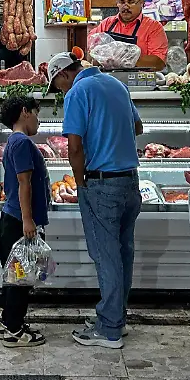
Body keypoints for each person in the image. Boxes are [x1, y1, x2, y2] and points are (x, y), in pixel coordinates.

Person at [47, 50, 142, 349]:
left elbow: (74, 147)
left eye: (57, 85)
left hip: (101, 183)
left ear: (64, 74)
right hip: (130, 180)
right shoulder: (116, 85)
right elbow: (137, 127)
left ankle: (109, 330)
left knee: (106, 255)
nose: (59, 91)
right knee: (123, 252)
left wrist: (80, 182)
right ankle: (116, 318)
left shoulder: (77, 92)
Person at [0, 96, 49, 347]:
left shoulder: (13, 142)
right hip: (18, 221)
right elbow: (24, 183)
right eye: (36, 113)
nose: (38, 120)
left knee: (14, 277)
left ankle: (8, 322)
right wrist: (29, 221)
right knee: (20, 278)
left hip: (12, 218)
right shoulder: (23, 143)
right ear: (24, 112)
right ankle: (14, 332)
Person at [87, 0, 168, 71]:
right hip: (108, 80)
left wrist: (123, 60)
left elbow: (158, 62)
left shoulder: (154, 27)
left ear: (141, 2)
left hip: (138, 82)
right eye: (122, 2)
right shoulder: (106, 24)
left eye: (131, 2)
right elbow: (89, 48)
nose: (125, 7)